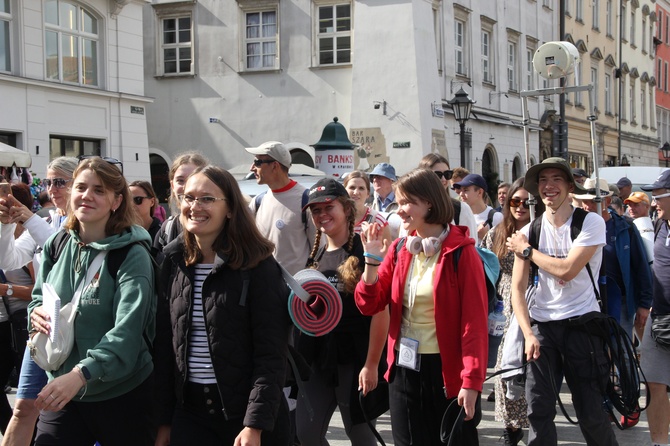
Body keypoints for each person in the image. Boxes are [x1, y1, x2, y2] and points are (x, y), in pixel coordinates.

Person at [154, 166, 291, 446]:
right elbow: (166, 351)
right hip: (189, 416)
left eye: (207, 199)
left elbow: (271, 354)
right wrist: (164, 420)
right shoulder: (172, 262)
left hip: (243, 418)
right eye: (188, 198)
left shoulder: (259, 266)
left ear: (230, 209)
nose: (194, 207)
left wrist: (254, 425)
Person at [355, 168, 488, 446]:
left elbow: (473, 324)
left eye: (406, 202)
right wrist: (370, 260)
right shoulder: (401, 248)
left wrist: (472, 381)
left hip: (445, 370)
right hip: (404, 369)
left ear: (429, 202)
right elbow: (370, 305)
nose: (400, 211)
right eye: (399, 203)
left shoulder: (462, 253)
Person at [27, 157, 156, 445]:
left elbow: (127, 333)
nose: (87, 196)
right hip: (63, 389)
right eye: (81, 187)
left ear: (116, 201)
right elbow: (39, 296)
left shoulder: (132, 254)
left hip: (122, 393)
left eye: (99, 190)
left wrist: (81, 374)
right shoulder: (57, 244)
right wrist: (34, 314)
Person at [506, 157, 617, 446]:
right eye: (543, 180)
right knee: (538, 410)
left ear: (569, 186)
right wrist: (528, 333)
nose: (548, 186)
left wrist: (527, 250)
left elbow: (567, 269)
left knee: (591, 412)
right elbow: (517, 289)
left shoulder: (589, 222)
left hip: (583, 325)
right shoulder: (531, 229)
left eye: (556, 179)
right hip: (544, 326)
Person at [295, 178, 388, 446]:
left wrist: (371, 364)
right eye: (315, 211)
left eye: (328, 207)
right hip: (318, 358)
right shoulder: (315, 255)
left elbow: (381, 313)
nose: (322, 215)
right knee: (305, 434)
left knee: (360, 436)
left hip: (355, 360)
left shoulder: (365, 250)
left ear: (346, 209)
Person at [0, 157, 78, 446]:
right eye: (47, 182)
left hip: (76, 328)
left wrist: (28, 218)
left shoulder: (84, 223)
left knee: (75, 414)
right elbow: (9, 259)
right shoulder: (47, 220)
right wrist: (7, 224)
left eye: (59, 181)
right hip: (43, 328)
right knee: (23, 408)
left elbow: (64, 251)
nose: (51, 188)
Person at [483, 178, 545, 446]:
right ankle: (510, 429)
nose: (520, 207)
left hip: (534, 299)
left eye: (525, 202)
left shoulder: (542, 232)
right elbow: (485, 269)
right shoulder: (497, 232)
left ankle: (532, 422)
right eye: (514, 201)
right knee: (504, 366)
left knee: (530, 367)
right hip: (503, 305)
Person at [575, 178, 652, 341]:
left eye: (593, 201)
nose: (588, 206)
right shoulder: (576, 228)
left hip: (620, 303)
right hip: (585, 301)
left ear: (607, 201)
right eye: (585, 201)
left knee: (621, 352)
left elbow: (641, 266)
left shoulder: (626, 228)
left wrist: (644, 304)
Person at [0, 183, 37, 434]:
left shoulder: (32, 235)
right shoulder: (9, 234)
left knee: (29, 401)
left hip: (23, 325)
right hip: (13, 324)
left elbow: (39, 288)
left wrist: (5, 290)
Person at [246, 141, 314, 275]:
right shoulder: (258, 202)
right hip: (263, 290)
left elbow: (319, 250)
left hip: (296, 292)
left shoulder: (306, 200)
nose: (252, 168)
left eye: (258, 162)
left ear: (275, 166)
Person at [639, 170, 670, 446]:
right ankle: (659, 443)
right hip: (659, 317)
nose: (654, 201)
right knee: (654, 382)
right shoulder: (661, 225)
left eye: (659, 195)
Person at [153, 152, 209, 262]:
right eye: (180, 181)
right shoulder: (167, 229)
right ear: (172, 185)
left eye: (193, 179)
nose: (186, 187)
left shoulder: (222, 224)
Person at [417, 153, 477, 241]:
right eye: (437, 174)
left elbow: (472, 247)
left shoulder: (461, 209)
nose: (444, 179)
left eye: (447, 174)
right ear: (423, 177)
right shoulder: (412, 208)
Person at [343, 170, 393, 246]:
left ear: (368, 194)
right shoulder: (337, 218)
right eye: (352, 187)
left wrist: (372, 241)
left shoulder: (378, 221)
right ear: (344, 191)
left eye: (361, 188)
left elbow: (388, 255)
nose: (356, 192)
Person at [453, 173, 503, 244]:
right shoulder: (459, 216)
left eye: (466, 190)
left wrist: (485, 236)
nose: (461, 194)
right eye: (461, 190)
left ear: (479, 192)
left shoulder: (496, 217)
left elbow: (502, 249)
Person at [625, 191, 655, 263]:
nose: (631, 208)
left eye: (636, 205)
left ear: (647, 206)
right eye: (629, 205)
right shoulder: (626, 226)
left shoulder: (657, 225)